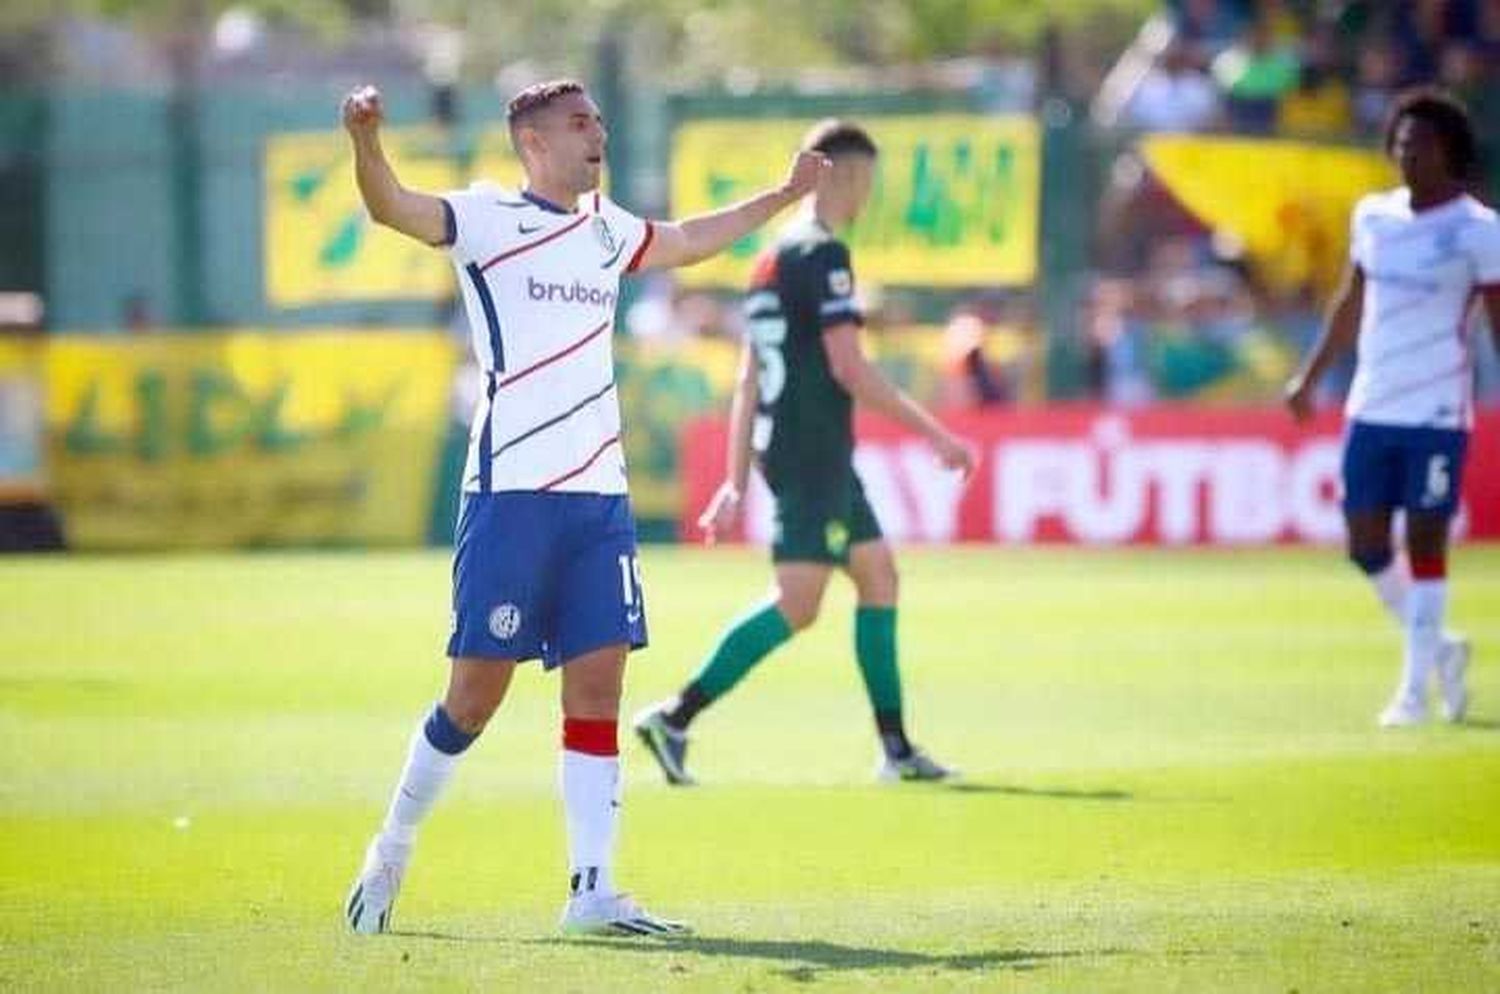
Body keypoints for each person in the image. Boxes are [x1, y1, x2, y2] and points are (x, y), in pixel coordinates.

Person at [339, 79, 828, 937]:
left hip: (599, 498)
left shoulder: (608, 229)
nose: (596, 133)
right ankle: (391, 849)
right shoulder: (486, 219)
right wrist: (366, 143)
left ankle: (592, 892)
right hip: (510, 498)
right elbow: (392, 209)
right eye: (578, 123)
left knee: (598, 688)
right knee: (472, 699)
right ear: (533, 142)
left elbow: (689, 239)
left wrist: (783, 196)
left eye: (599, 119)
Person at [632, 120, 974, 786]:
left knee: (878, 576)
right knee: (798, 601)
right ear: (845, 175)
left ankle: (896, 749)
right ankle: (675, 716)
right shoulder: (825, 255)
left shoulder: (770, 257)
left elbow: (747, 377)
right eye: (867, 181)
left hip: (793, 449)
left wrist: (735, 479)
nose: (867, 196)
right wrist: (935, 432)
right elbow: (848, 368)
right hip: (813, 452)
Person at [1285, 87, 1500, 727]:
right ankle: (1441, 646)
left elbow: (1495, 318)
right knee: (1364, 543)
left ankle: (1413, 690)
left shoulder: (1479, 230)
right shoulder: (1374, 216)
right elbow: (1350, 302)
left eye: (1422, 145)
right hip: (1370, 404)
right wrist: (1310, 377)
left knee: (1426, 538)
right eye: (1401, 144)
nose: (1408, 156)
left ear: (1450, 152)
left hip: (1436, 410)